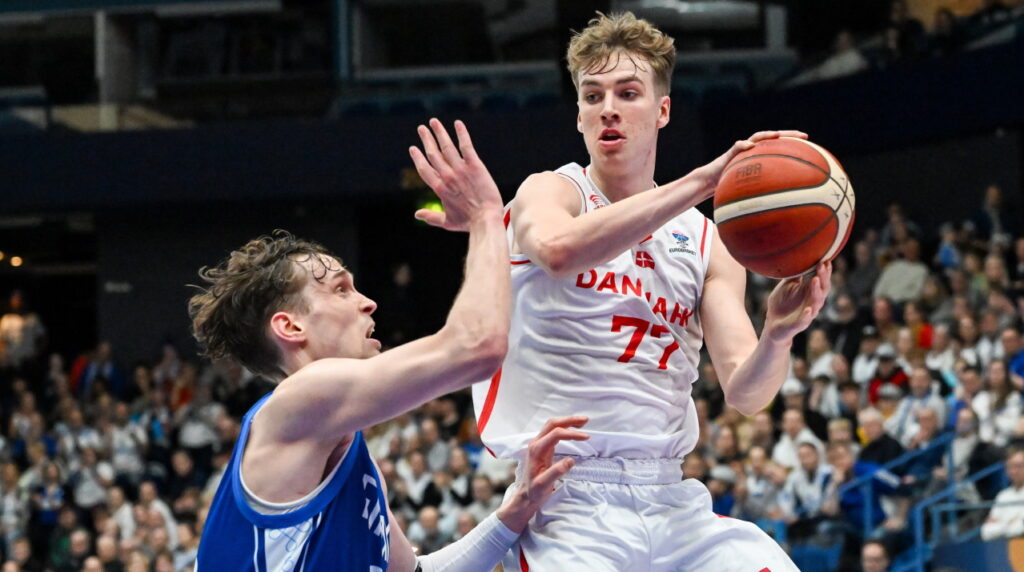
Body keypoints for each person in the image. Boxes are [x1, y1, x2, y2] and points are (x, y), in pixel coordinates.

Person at [473, 11, 828, 570]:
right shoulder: (551, 192)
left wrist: (779, 336)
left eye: (628, 92)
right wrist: (705, 181)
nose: (608, 108)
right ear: (580, 116)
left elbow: (746, 393)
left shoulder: (705, 239)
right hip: (565, 498)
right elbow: (559, 250)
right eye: (593, 96)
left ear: (662, 110)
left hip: (669, 496)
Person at [190, 119, 590, 570]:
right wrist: (486, 219)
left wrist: (515, 511)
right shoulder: (301, 399)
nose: (368, 302)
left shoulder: (346, 452)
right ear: (290, 326)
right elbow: (477, 347)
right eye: (341, 290)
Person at [980, 448, 1024, 540]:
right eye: (1010, 467)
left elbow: (1020, 529)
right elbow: (986, 531)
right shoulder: (1003, 496)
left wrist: (1000, 526)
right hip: (1005, 546)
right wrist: (1010, 525)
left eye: (1018, 466)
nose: (1014, 471)